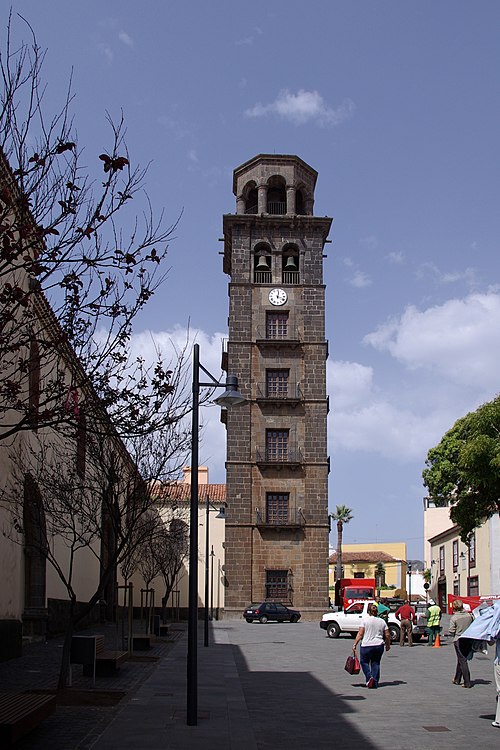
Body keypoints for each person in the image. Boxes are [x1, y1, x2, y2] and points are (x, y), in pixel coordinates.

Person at [352, 602, 391, 688]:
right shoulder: (382, 621)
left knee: (364, 662)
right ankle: (375, 682)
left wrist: (355, 644)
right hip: (379, 645)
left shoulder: (365, 621)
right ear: (377, 612)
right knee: (376, 663)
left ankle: (369, 678)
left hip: (366, 645)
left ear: (368, 612)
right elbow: (387, 634)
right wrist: (388, 645)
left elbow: (360, 634)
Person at [448, 599, 474, 688]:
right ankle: (457, 679)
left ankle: (467, 682)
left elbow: (451, 630)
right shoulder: (468, 615)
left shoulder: (454, 618)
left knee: (463, 661)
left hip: (458, 639)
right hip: (468, 639)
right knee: (461, 659)